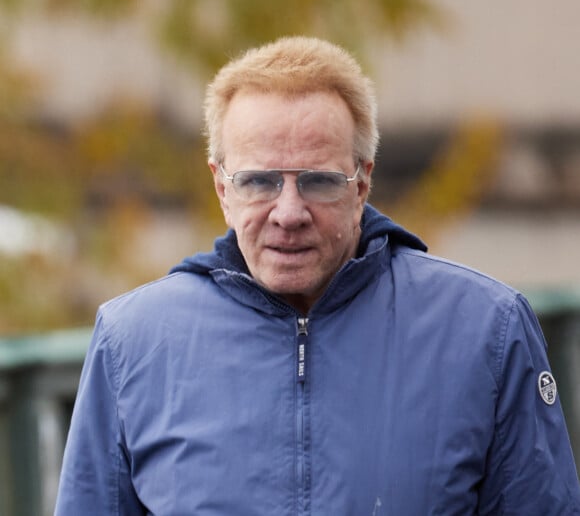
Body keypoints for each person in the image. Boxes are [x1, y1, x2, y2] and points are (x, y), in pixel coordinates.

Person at [55, 36, 580, 515]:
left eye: (319, 182)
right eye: (259, 181)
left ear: (362, 184)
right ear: (221, 188)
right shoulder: (133, 342)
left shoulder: (486, 330)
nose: (288, 212)